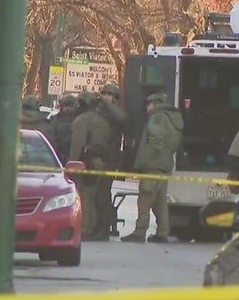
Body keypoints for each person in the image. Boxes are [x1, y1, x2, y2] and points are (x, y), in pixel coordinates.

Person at [121, 93, 184, 243]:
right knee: (160, 201)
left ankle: (139, 231)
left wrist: (147, 159)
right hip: (165, 164)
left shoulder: (158, 117)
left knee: (145, 198)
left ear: (156, 104)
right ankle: (162, 232)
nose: (147, 107)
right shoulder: (173, 119)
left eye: (149, 104)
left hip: (153, 165)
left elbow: (156, 139)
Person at [68, 91, 113, 241]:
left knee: (85, 197)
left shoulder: (81, 120)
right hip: (99, 161)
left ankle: (86, 228)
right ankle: (94, 227)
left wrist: (71, 164)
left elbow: (77, 145)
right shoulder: (102, 120)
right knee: (93, 196)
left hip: (85, 162)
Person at [90, 84, 127, 240]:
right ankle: (95, 227)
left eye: (108, 94)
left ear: (115, 98)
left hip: (110, 158)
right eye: (103, 93)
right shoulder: (99, 111)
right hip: (97, 156)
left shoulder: (115, 113)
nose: (104, 96)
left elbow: (122, 118)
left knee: (103, 194)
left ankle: (103, 230)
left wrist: (106, 103)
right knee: (95, 194)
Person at [49, 94, 78, 165]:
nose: (68, 108)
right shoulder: (55, 120)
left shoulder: (79, 119)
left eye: (70, 106)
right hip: (58, 153)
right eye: (65, 106)